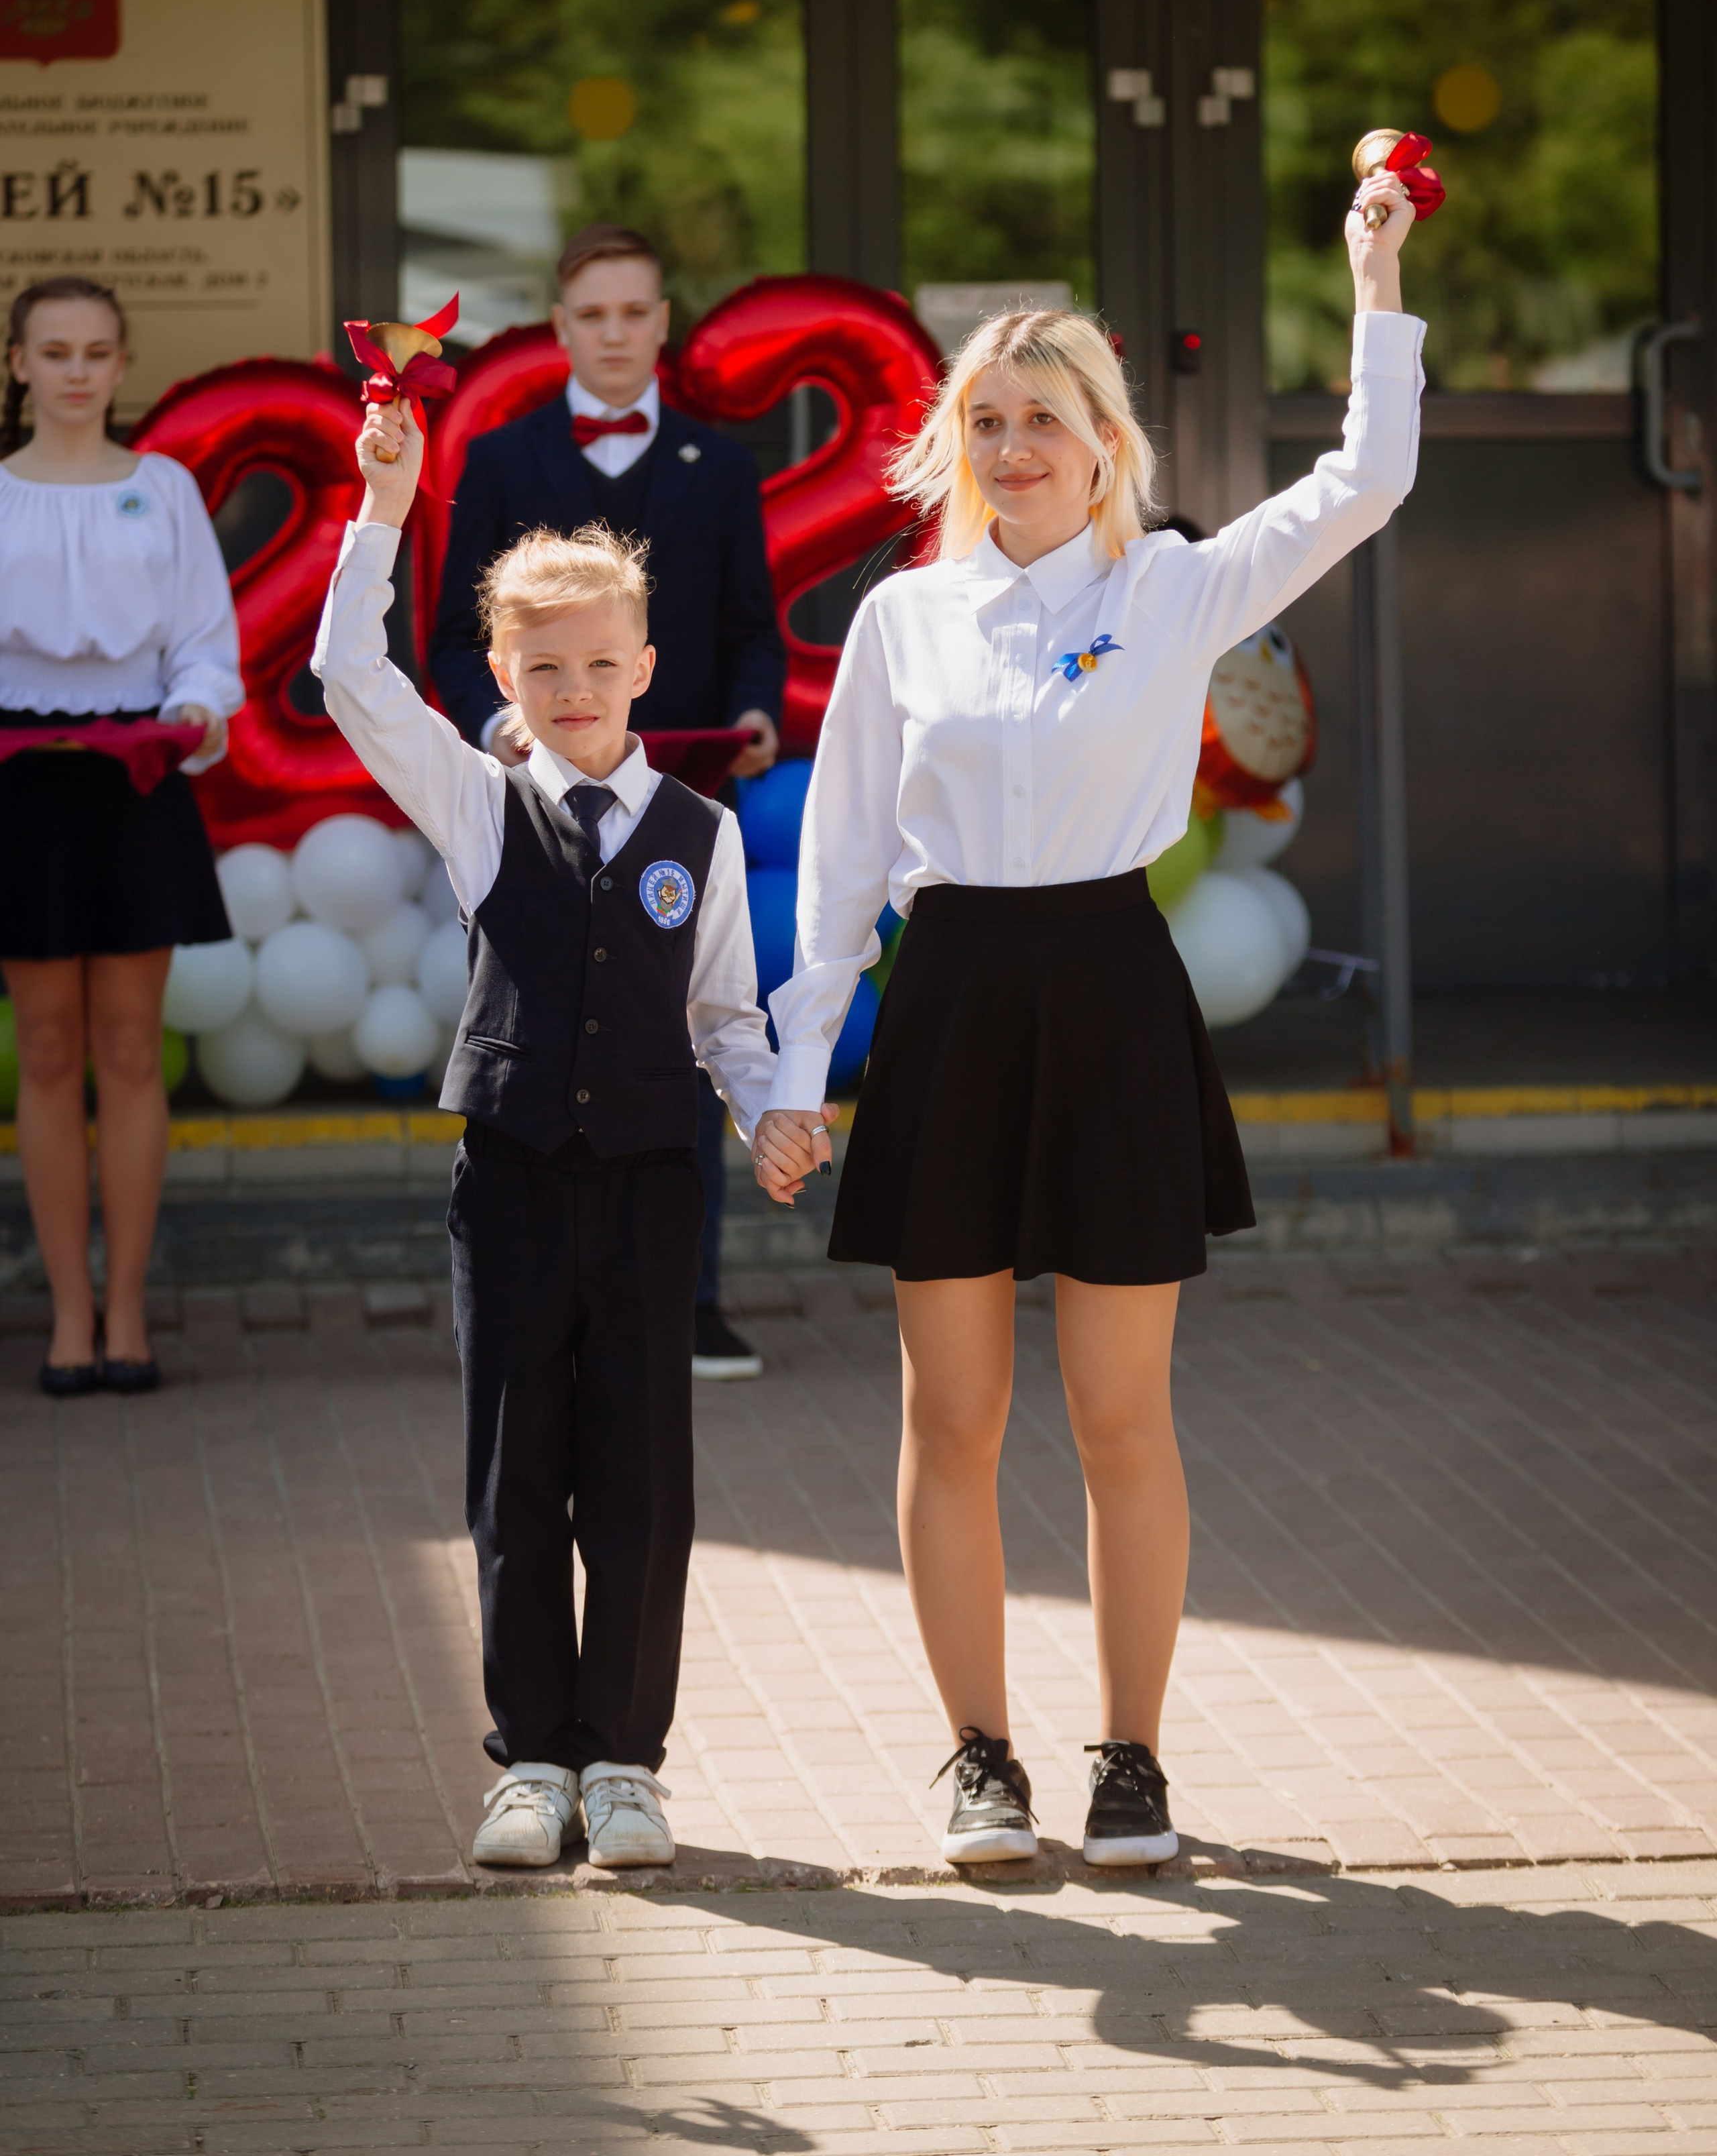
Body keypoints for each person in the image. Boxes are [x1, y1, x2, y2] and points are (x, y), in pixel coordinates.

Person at [755, 174, 1424, 1867]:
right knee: (950, 1417)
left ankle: (1131, 1759)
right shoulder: (903, 618)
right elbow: (838, 872)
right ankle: (978, 1756)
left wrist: (1370, 282)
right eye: (983, 421)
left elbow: (1368, 480)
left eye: (1040, 417)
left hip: (1117, 998)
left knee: (1123, 1418)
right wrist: (795, 1074)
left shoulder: (1178, 584)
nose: (1010, 447)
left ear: (1103, 438)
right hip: (954, 1000)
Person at [316, 389, 824, 1872]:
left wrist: (773, 1113)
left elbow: (727, 1017)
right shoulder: (480, 810)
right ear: (505, 674)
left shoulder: (701, 834)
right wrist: (386, 503)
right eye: (547, 667)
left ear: (647, 666)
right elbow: (351, 674)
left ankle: (627, 1762)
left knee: (642, 1475)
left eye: (605, 662)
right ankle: (532, 1758)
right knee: (513, 1469)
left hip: (654, 1187)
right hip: (518, 1180)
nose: (578, 687)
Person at [429, 222, 787, 1382]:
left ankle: (691, 1301)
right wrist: (506, 735)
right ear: (561, 326)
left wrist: (756, 710)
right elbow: (447, 642)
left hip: (673, 796)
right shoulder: (500, 458)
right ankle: (534, 1304)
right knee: (544, 1038)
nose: (617, 334)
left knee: (683, 1034)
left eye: (636, 313)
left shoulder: (722, 466)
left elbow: (748, 627)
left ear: (663, 323)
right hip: (540, 804)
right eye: (594, 315)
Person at [0, 276, 242, 1399]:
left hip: (136, 770)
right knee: (47, 1050)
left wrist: (197, 708)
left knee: (132, 1049)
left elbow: (203, 640)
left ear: (121, 362)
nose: (78, 371)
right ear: (19, 366)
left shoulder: (167, 490)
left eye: (97, 351)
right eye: (55, 352)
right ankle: (67, 1317)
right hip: (19, 783)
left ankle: (131, 1314)